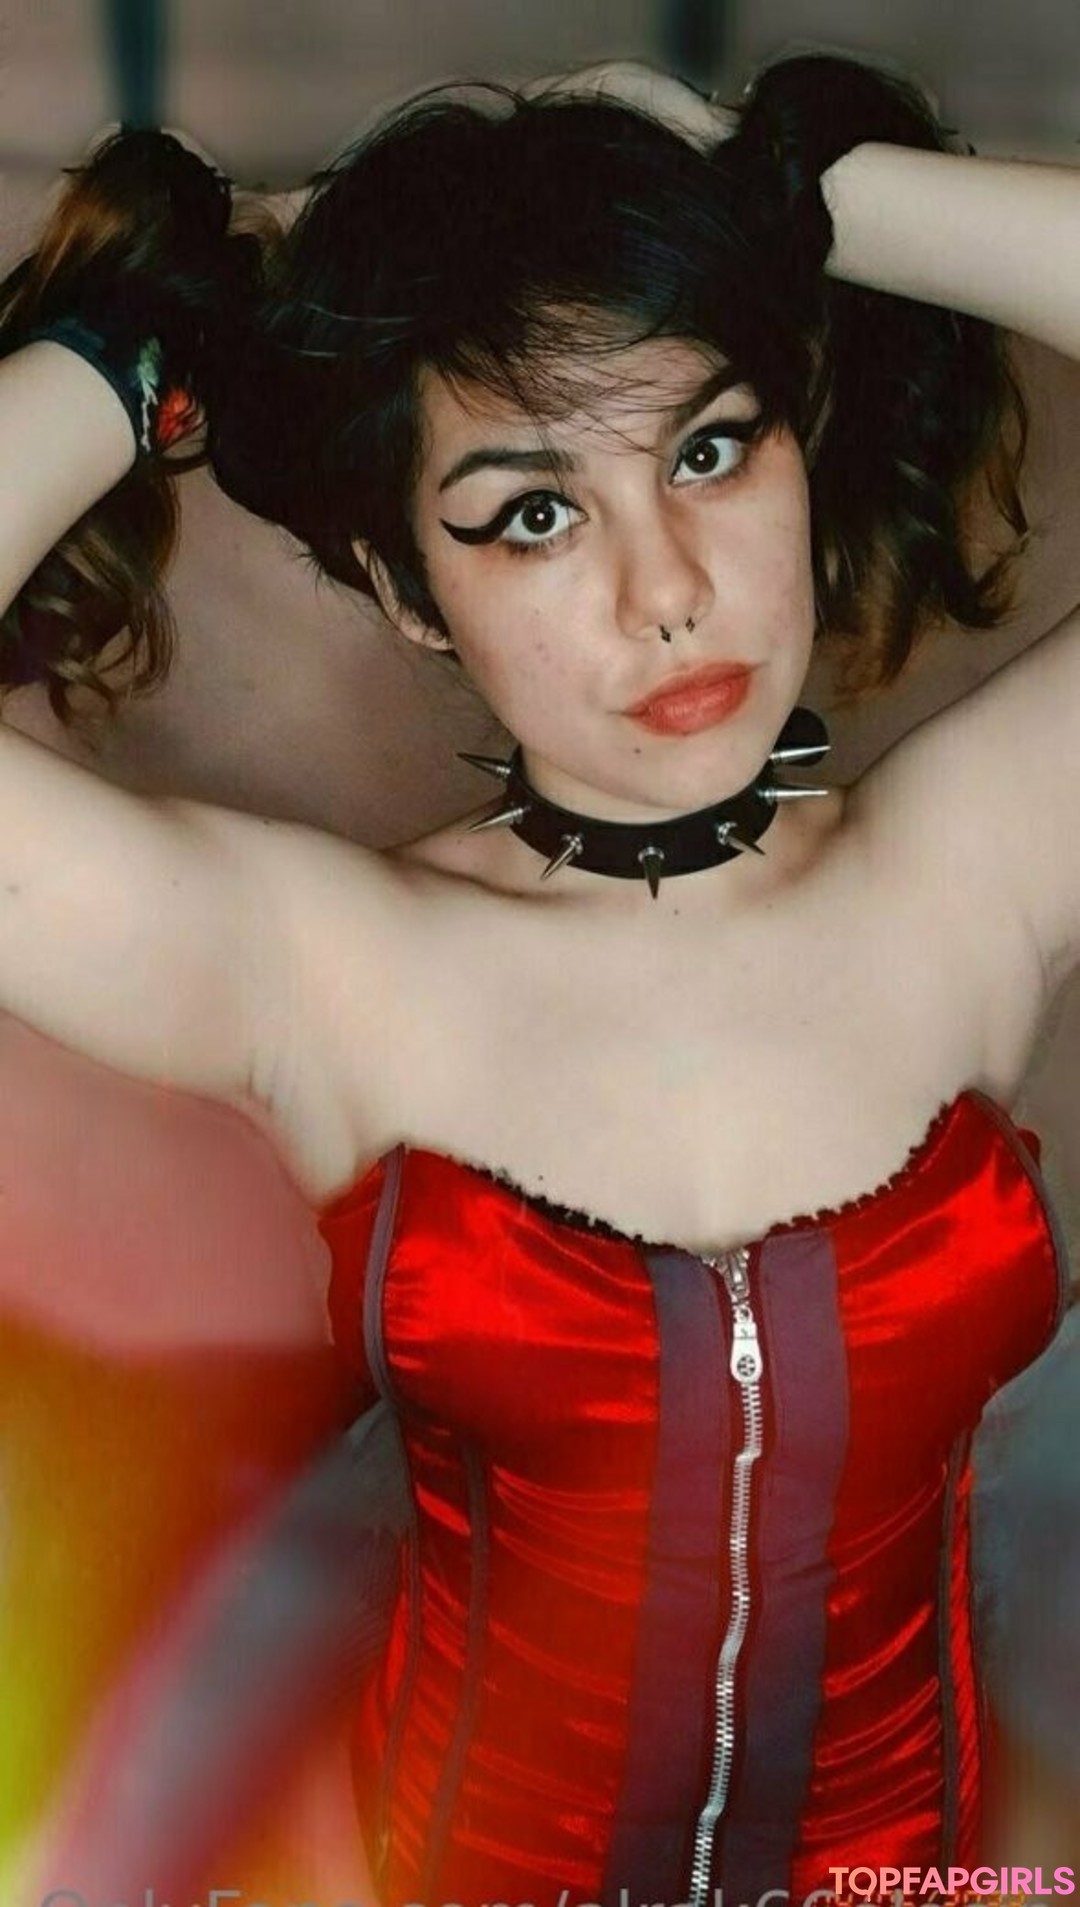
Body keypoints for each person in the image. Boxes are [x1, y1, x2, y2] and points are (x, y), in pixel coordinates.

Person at [0, 52, 1075, 1900]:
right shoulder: (325, 968)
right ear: (409, 592)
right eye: (532, 514)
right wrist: (134, 352)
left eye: (710, 451)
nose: (667, 591)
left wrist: (799, 191)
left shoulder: (967, 869)